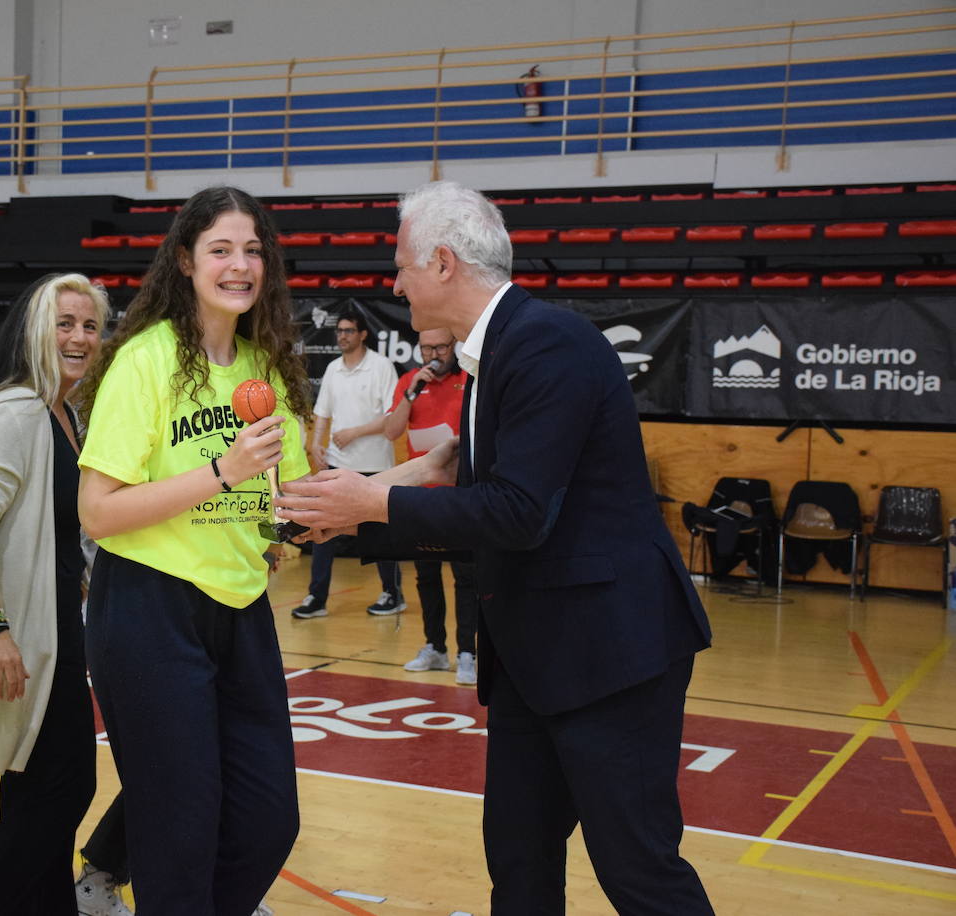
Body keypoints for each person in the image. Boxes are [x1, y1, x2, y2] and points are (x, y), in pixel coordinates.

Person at [276, 181, 715, 914]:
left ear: (443, 263)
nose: (395, 282)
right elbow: (458, 467)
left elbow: (518, 513)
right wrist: (350, 510)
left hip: (609, 654)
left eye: (402, 265)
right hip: (537, 660)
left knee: (638, 870)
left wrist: (372, 500)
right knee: (518, 861)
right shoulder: (495, 353)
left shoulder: (547, 342)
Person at [75, 185, 308, 916]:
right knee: (180, 829)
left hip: (240, 608)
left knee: (271, 817)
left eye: (252, 250)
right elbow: (98, 512)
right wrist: (221, 472)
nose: (240, 265)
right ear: (184, 261)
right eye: (221, 250)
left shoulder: (264, 368)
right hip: (148, 608)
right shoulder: (143, 361)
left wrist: (395, 490)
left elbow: (289, 500)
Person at [0, 273, 110, 914]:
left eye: (90, 325)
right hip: (24, 639)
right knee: (54, 798)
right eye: (65, 323)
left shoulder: (66, 412)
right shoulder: (15, 409)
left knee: (42, 801)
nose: (79, 337)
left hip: (62, 632)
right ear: (36, 330)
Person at [381, 327, 478, 685]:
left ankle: (467, 651)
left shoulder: (469, 378)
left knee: (465, 576)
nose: (433, 355)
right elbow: (392, 431)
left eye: (440, 347)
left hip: (459, 492)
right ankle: (434, 647)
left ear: (454, 346)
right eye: (426, 349)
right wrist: (410, 393)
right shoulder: (410, 380)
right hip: (419, 493)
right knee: (425, 575)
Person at [293, 308, 402, 619]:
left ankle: (392, 593)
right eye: (339, 331)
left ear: (363, 334)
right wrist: (315, 445)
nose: (342, 336)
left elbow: (392, 419)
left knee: (381, 533)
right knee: (323, 529)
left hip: (376, 466)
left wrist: (355, 432)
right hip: (338, 465)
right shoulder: (332, 369)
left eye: (348, 331)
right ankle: (316, 597)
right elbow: (322, 412)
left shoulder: (381, 367)